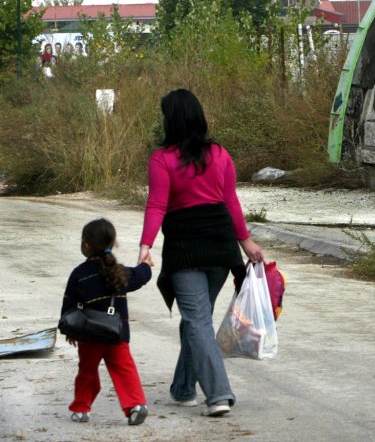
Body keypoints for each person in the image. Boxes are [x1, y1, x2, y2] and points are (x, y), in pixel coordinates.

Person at [138, 89, 263, 418]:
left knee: (196, 321)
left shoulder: (162, 159)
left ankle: (219, 393)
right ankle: (182, 388)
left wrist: (146, 245)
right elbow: (230, 201)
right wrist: (244, 242)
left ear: (171, 120)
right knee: (197, 321)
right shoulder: (219, 153)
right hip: (221, 247)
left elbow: (157, 205)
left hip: (186, 248)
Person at [61, 218, 152, 425]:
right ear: (112, 244)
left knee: (87, 372)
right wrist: (146, 265)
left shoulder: (79, 274)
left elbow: (69, 304)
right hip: (116, 334)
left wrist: (70, 332)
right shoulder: (118, 272)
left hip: (89, 335)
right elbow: (139, 277)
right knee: (125, 370)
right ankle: (136, 405)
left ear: (86, 245)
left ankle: (81, 408)